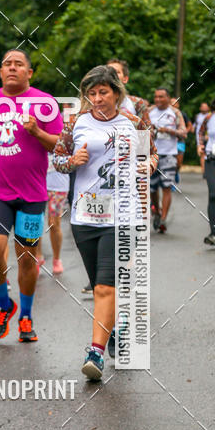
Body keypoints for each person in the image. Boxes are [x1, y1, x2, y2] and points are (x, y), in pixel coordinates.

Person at [53, 65, 157, 380]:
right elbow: (57, 158)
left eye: (103, 92)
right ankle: (112, 329)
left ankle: (94, 353)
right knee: (100, 284)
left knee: (103, 286)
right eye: (92, 93)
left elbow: (152, 155)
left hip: (123, 215)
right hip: (85, 215)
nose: (98, 99)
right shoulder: (75, 123)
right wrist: (72, 161)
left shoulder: (134, 122)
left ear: (116, 92)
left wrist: (147, 166)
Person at [0, 49, 63, 341]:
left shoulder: (44, 103)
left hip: (32, 197)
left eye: (18, 64)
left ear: (29, 73)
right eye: (7, 64)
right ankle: (3, 304)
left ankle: (25, 315)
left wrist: (37, 131)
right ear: (0, 72)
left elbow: (58, 146)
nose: (12, 68)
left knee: (26, 259)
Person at [149, 87, 186, 233]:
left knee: (166, 187)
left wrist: (169, 131)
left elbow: (184, 133)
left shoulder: (175, 113)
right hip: (151, 155)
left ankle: (163, 219)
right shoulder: (149, 111)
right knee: (152, 188)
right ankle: (157, 213)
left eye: (161, 97)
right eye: (156, 96)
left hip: (169, 155)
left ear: (168, 98)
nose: (158, 99)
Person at [37, 153, 69, 275]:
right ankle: (38, 256)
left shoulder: (62, 134)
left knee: (54, 223)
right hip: (36, 181)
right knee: (36, 221)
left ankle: (56, 259)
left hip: (58, 183)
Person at [198, 89, 215, 245]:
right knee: (213, 194)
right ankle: (213, 233)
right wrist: (200, 145)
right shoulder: (209, 117)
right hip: (212, 160)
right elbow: (200, 132)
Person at [106, 59, 151, 126]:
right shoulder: (96, 102)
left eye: (116, 72)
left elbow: (149, 132)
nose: (112, 75)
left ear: (125, 79)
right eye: (108, 72)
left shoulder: (137, 103)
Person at [194, 101, 211, 173]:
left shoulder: (211, 115)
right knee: (202, 154)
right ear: (200, 108)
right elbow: (195, 126)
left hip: (209, 138)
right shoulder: (197, 116)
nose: (204, 108)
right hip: (200, 138)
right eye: (202, 106)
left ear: (208, 107)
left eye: (205, 106)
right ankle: (204, 172)